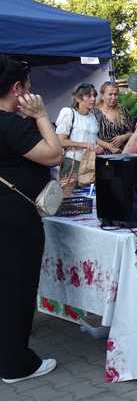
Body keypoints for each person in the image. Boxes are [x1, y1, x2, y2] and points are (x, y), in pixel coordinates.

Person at [0, 56, 63, 383]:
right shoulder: (10, 124)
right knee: (16, 288)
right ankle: (15, 364)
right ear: (16, 88)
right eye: (28, 86)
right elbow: (54, 154)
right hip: (13, 218)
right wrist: (40, 115)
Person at [55, 84, 105, 178]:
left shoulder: (92, 116)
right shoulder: (68, 113)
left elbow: (93, 138)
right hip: (73, 162)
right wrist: (87, 145)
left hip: (90, 162)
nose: (93, 99)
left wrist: (104, 147)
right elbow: (60, 141)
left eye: (94, 95)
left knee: (89, 192)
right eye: (89, 96)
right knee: (71, 191)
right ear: (78, 98)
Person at [94, 81, 133, 154]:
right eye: (110, 94)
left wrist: (124, 137)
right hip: (100, 154)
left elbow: (131, 132)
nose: (113, 97)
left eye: (116, 94)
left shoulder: (122, 110)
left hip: (121, 153)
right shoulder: (94, 112)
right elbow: (90, 137)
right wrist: (109, 146)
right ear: (102, 95)